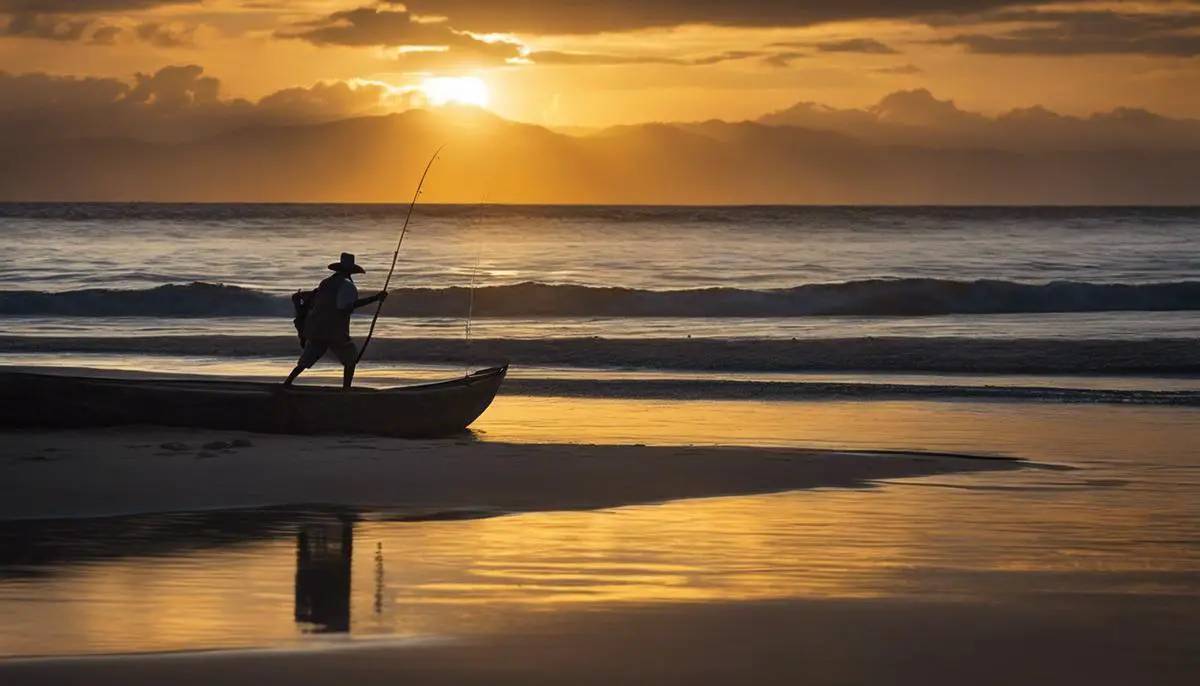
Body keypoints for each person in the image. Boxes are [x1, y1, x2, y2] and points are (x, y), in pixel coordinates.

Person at [284, 253, 387, 390]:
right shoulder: (347, 285)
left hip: (316, 328)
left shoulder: (325, 283)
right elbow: (345, 307)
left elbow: (314, 302)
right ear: (350, 272)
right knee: (350, 360)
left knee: (306, 360)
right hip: (335, 330)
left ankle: (287, 383)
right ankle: (346, 389)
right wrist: (375, 298)